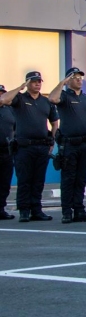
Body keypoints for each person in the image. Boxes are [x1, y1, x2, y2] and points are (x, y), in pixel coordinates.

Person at [1, 72, 59, 221]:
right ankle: (24, 210)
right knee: (25, 180)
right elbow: (4, 99)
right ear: (28, 83)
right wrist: (20, 88)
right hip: (23, 147)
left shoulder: (46, 102)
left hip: (41, 146)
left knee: (38, 180)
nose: (38, 84)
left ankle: (36, 210)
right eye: (34, 81)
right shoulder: (19, 99)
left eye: (39, 81)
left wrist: (52, 140)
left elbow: (54, 122)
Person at [48, 67, 86, 224]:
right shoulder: (64, 96)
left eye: (80, 77)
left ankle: (79, 210)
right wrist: (62, 83)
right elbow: (52, 98)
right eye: (75, 77)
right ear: (68, 80)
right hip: (69, 145)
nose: (79, 79)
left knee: (81, 179)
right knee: (68, 178)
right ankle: (66, 211)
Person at [0, 85, 15, 220]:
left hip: (7, 151)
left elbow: (15, 128)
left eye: (2, 94)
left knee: (5, 182)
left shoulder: (10, 110)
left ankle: (1, 208)